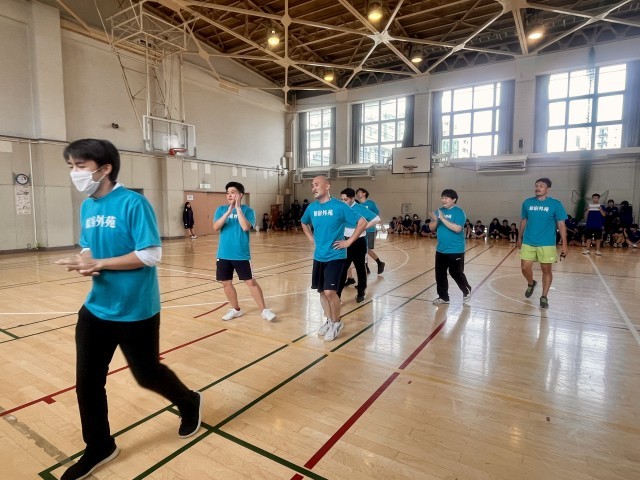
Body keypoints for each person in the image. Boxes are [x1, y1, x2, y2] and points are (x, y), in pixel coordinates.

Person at [55, 139, 202, 480]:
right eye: (71, 167)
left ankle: (188, 401)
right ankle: (99, 446)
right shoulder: (87, 207)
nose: (74, 173)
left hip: (136, 310)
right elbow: (89, 246)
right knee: (87, 383)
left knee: (147, 374)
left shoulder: (134, 203)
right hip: (96, 309)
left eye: (80, 166)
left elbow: (150, 254)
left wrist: (101, 263)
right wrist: (85, 261)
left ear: (104, 168)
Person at [301, 176, 367, 341]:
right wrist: (311, 238)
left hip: (336, 256)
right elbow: (304, 222)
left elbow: (362, 222)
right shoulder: (312, 207)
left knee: (330, 291)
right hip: (319, 256)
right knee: (322, 292)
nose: (313, 188)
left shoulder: (339, 206)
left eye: (317, 184)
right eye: (312, 185)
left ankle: (337, 323)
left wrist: (349, 242)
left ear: (327, 186)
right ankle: (329, 320)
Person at [213, 182, 276, 322]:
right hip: (223, 254)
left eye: (233, 192)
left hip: (241, 254)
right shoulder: (221, 209)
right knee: (226, 283)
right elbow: (216, 227)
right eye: (228, 193)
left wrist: (237, 209)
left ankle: (264, 310)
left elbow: (245, 227)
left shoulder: (248, 211)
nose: (229, 195)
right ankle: (236, 309)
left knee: (250, 282)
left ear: (240, 195)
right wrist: (228, 212)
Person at [518, 177, 567, 309]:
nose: (538, 188)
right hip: (528, 241)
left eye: (541, 186)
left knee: (546, 270)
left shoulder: (556, 204)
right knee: (524, 268)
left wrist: (564, 244)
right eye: (536, 185)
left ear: (547, 189)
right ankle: (531, 283)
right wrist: (519, 237)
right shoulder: (527, 202)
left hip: (547, 243)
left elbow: (561, 224)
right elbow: (523, 220)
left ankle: (544, 296)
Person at [429, 189, 472, 306]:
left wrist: (443, 219)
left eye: (446, 198)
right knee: (440, 274)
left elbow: (457, 229)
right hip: (441, 249)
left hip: (455, 249)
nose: (443, 200)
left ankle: (466, 290)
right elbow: (432, 228)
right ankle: (443, 297)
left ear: (454, 200)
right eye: (442, 197)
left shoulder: (459, 212)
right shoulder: (439, 211)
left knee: (456, 272)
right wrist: (435, 220)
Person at [337, 188, 380, 303]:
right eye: (341, 199)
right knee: (342, 269)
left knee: (360, 269)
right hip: (345, 241)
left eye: (345, 199)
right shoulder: (342, 208)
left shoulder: (360, 208)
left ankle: (361, 293)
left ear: (352, 199)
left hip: (359, 242)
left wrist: (363, 227)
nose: (343, 202)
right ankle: (337, 295)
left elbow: (377, 218)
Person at [356, 187, 385, 274]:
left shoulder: (370, 203)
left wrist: (382, 226)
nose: (358, 194)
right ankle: (366, 267)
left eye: (359, 192)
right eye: (357, 193)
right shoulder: (358, 205)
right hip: (360, 230)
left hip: (370, 229)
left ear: (364, 193)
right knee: (362, 249)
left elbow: (377, 215)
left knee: (367, 249)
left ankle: (379, 263)